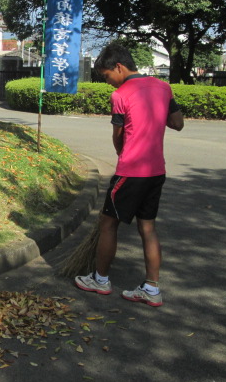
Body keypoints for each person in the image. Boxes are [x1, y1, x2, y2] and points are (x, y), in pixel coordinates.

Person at [75, 42, 184, 307]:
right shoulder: (163, 87)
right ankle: (152, 288)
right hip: (156, 170)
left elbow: (118, 136)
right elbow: (177, 123)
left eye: (106, 76)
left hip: (131, 171)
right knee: (148, 228)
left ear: (119, 67)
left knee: (108, 224)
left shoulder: (120, 95)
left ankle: (100, 280)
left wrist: (122, 152)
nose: (108, 82)